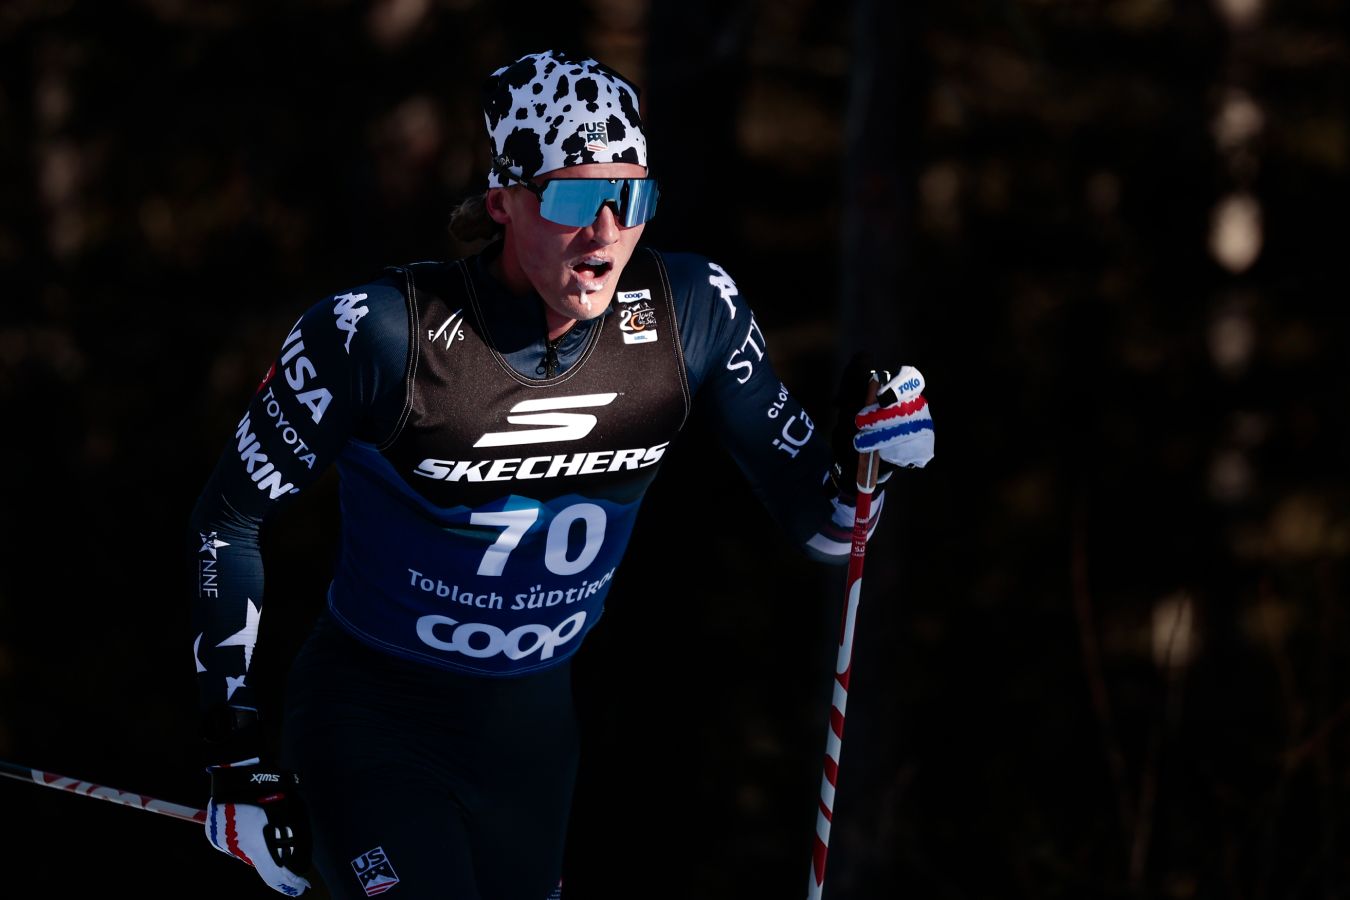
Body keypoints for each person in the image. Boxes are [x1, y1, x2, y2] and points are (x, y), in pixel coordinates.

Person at [186, 48, 935, 900]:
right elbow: (227, 521)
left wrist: (874, 454)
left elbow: (833, 531)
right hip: (375, 719)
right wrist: (235, 761)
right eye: (576, 197)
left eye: (632, 197)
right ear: (502, 200)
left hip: (531, 741)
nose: (607, 230)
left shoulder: (693, 313)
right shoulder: (379, 336)